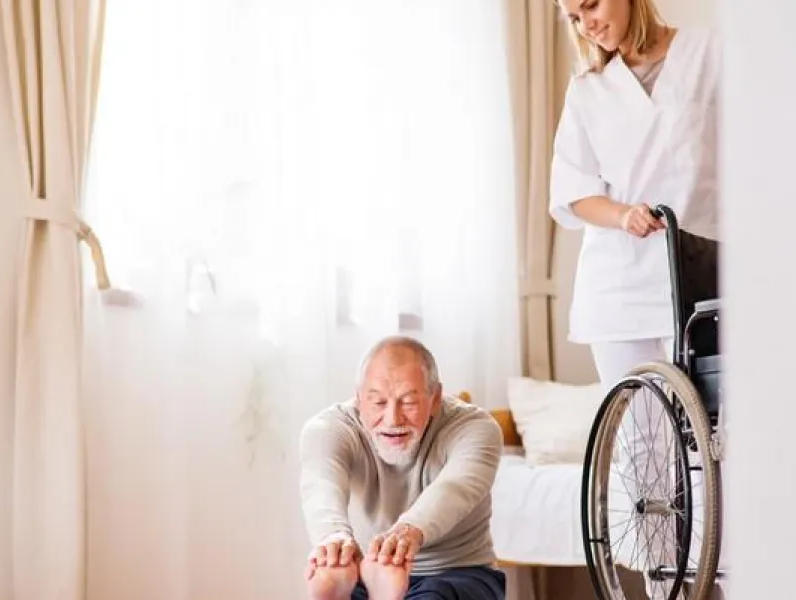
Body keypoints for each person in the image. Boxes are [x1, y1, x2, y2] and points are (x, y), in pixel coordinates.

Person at [548, 0, 721, 596]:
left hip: (698, 276)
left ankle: (724, 581)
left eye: (591, 4)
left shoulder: (708, 54)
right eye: (574, 16)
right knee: (646, 452)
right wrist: (622, 214)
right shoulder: (588, 89)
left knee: (714, 449)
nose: (586, 22)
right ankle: (657, 588)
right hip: (618, 288)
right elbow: (573, 194)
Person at [298, 336, 506, 600]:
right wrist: (334, 538)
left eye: (408, 402)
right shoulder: (328, 429)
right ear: (359, 397)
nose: (393, 419)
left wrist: (406, 533)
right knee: (349, 589)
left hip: (457, 572)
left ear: (435, 397)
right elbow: (321, 485)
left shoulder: (475, 427)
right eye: (378, 403)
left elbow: (455, 488)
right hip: (365, 572)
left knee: (435, 596)